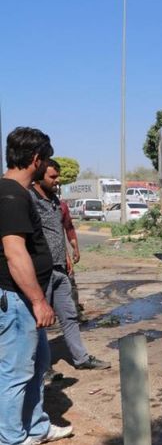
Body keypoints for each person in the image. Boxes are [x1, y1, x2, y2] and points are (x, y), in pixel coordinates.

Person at [0, 127, 73, 444]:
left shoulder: (15, 192)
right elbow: (15, 254)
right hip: (19, 301)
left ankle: (37, 427)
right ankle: (12, 438)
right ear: (35, 159)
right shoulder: (12, 196)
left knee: (39, 361)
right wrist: (38, 301)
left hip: (25, 300)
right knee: (16, 372)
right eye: (45, 160)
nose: (48, 167)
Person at [31, 159, 110, 371]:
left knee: (70, 316)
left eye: (58, 177)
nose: (57, 181)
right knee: (39, 322)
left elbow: (59, 230)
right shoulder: (29, 200)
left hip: (60, 271)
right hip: (41, 272)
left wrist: (67, 252)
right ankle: (42, 369)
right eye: (52, 177)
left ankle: (81, 358)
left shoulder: (56, 201)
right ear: (39, 177)